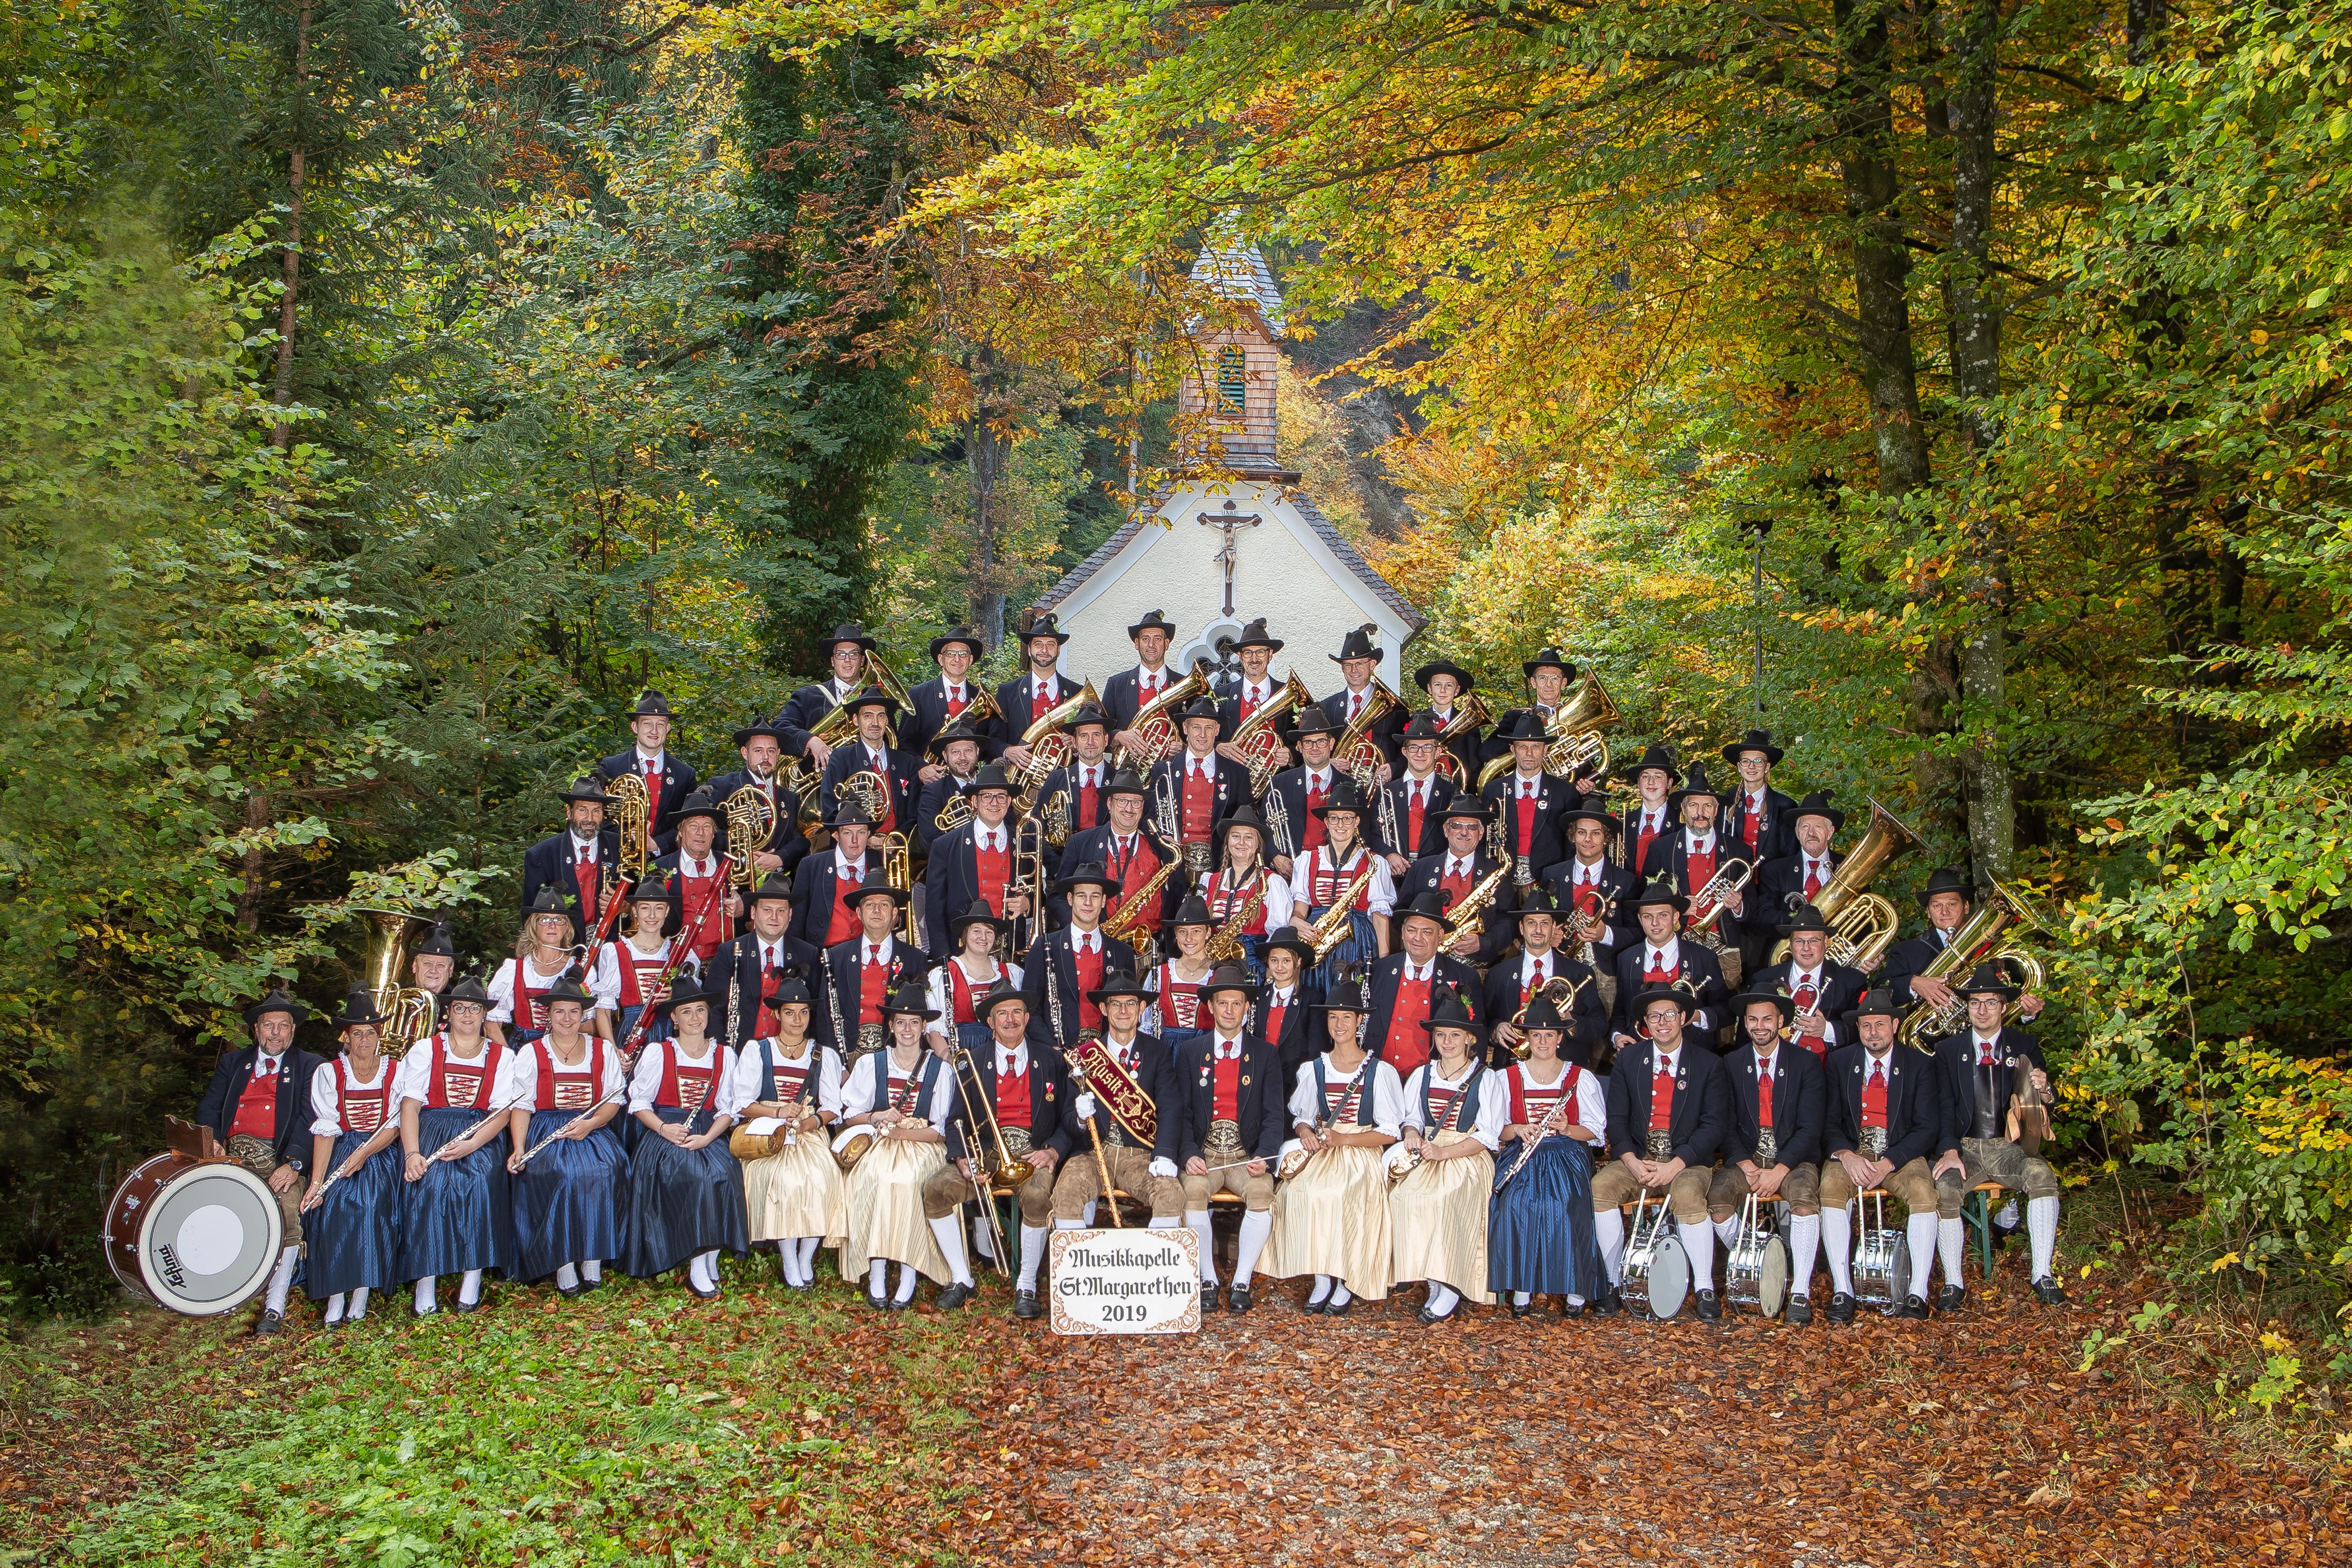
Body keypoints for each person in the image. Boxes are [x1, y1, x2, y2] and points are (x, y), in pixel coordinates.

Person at [1260, 968, 1405, 1315]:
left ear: (1359, 1022)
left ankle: (1345, 1278)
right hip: (1324, 1148)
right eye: (1333, 1017)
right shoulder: (1314, 1068)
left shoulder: (1378, 1071)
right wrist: (1306, 1133)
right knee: (1301, 1192)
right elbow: (1302, 1117)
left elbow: (1389, 1131)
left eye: (1347, 1017)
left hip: (1360, 1151)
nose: (1339, 1024)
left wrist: (1344, 1137)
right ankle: (1322, 1275)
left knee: (1345, 1194)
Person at [1930, 963, 2069, 1308]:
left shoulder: (2024, 1044)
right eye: (1975, 1002)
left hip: (2008, 1146)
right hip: (1964, 1146)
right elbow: (1941, 1107)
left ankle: (2042, 1273)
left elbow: (2045, 1102)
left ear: (2004, 1007)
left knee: (2041, 1175)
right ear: (1967, 1007)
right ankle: (1953, 1282)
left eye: (1990, 1002)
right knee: (1944, 1188)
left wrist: (2045, 1088)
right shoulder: (1947, 1050)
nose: (1982, 1009)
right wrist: (1948, 1149)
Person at [1591, 987, 1731, 1320]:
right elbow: (1617, 1119)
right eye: (1654, 1016)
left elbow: (1713, 1126)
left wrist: (1675, 1164)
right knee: (1600, 1188)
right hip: (1637, 1159)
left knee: (1687, 1193)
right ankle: (1611, 1284)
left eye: (1669, 1014)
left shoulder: (1709, 1064)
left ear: (1683, 1018)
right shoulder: (1628, 1059)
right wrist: (1629, 1160)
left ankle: (1704, 1287)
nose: (1662, 1022)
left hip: (1686, 1161)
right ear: (1645, 1023)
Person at [1819, 989, 1957, 1322]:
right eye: (1866, 1026)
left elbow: (1927, 1127)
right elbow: (1827, 1121)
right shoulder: (1839, 1061)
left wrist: (1889, 1161)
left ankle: (1917, 1294)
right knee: (1830, 1188)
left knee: (1925, 1193)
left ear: (1894, 1025)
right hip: (1853, 1150)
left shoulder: (1919, 1064)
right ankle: (1843, 1290)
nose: (1872, 1033)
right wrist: (1846, 1156)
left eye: (1879, 1025)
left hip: (1900, 1151)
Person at [195, 987, 326, 1335]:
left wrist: (295, 1163)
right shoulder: (233, 1063)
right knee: (207, 1208)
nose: (276, 1033)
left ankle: (274, 1306)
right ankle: (217, 1293)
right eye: (269, 1025)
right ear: (257, 1029)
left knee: (285, 1210)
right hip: (231, 1157)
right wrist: (214, 1142)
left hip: (277, 1159)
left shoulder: (310, 1065)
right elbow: (210, 1107)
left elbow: (310, 1117)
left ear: (293, 1030)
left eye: (284, 1025)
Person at [935, 983, 1067, 1316]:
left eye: (1017, 1012)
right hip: (986, 1152)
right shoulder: (972, 1059)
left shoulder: (1050, 1058)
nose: (1010, 1019)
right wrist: (962, 1158)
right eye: (1002, 1013)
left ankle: (1025, 1284)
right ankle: (961, 1277)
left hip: (1032, 1152)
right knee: (935, 1190)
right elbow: (955, 1119)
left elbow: (1069, 1118)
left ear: (1027, 1017)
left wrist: (1052, 1150)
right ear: (991, 1022)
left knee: (1038, 1197)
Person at [1168, 964, 1288, 1313]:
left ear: (1246, 1007)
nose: (1229, 1010)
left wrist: (1265, 1154)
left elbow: (1274, 1115)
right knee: (1191, 1191)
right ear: (1211, 1006)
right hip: (1204, 1153)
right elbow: (1183, 1111)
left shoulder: (1265, 1055)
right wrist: (1188, 1151)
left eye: (1237, 1003)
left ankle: (1241, 1280)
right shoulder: (1191, 1052)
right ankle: (1208, 1278)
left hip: (1244, 1154)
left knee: (1263, 1192)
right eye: (1223, 1003)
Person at [620, 973, 747, 1298]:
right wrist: (664, 1129)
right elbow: (639, 1104)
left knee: (725, 1172)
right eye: (687, 1012)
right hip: (666, 1132)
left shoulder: (724, 1055)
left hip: (707, 1130)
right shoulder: (658, 1052)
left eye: (701, 1010)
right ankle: (695, 1261)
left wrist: (708, 1138)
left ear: (709, 1014)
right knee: (694, 1176)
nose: (695, 1018)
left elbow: (728, 1109)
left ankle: (710, 1254)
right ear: (674, 1018)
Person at [396, 975, 516, 1317]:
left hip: (480, 1133)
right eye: (460, 1008)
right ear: (449, 1012)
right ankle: (426, 1282)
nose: (467, 1015)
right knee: (430, 1188)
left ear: (484, 1015)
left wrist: (472, 1144)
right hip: (432, 1129)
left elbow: (503, 1112)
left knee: (481, 1184)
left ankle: (471, 1281)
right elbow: (410, 1106)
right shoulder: (426, 1049)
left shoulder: (502, 1057)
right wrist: (412, 1153)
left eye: (474, 1008)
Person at [500, 975, 627, 1296]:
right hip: (547, 1128)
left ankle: (592, 1256)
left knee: (607, 1169)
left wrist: (591, 1124)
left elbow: (613, 1101)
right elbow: (522, 1106)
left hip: (591, 1126)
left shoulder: (602, 1050)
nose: (567, 1019)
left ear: (583, 1014)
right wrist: (519, 1147)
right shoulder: (531, 1052)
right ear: (549, 1015)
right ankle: (563, 1261)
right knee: (561, 1174)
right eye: (560, 1012)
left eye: (574, 1011)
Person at [1709, 990, 1830, 1324]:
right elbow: (1724, 1120)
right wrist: (1742, 1160)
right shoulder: (1731, 1063)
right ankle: (1760, 1262)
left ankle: (1801, 1291)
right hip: (1747, 1158)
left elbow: (1810, 1127)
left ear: (1781, 1022)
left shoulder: (1805, 1063)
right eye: (1752, 1019)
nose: (1759, 1026)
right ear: (1744, 1023)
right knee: (1717, 1203)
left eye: (1766, 1018)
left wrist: (1780, 1169)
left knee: (1804, 1200)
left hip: (1794, 1157)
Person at [1487, 990, 1607, 1317]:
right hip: (1520, 1153)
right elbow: (1494, 1129)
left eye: (1549, 1035)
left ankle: (1574, 1289)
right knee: (1518, 1204)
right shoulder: (1506, 1077)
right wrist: (1518, 1129)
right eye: (1536, 1035)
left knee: (1563, 1205)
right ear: (1526, 1038)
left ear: (1559, 1038)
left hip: (1565, 1154)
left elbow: (1595, 1130)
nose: (1542, 1041)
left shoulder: (1579, 1077)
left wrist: (1568, 1127)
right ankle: (1522, 1289)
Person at [839, 987, 959, 1310]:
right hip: (880, 1143)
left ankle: (909, 1269)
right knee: (874, 1178)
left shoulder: (940, 1069)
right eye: (901, 1022)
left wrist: (903, 1131)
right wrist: (876, 1116)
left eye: (914, 1023)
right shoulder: (870, 1063)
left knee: (909, 1183)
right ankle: (877, 1268)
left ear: (924, 1027)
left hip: (920, 1145)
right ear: (890, 1026)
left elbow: (940, 1131)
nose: (907, 1030)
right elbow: (850, 1114)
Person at [1390, 989, 1505, 1324]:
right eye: (1441, 1034)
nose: (1447, 1041)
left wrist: (1444, 1152)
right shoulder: (1423, 1074)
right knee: (1406, 1196)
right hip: (1428, 1151)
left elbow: (1486, 1135)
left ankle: (1452, 1283)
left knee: (1445, 1198)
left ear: (1469, 1038)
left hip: (1465, 1157)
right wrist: (1412, 1133)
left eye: (1455, 1035)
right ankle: (1433, 1278)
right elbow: (1411, 1117)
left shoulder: (1485, 1078)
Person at [727, 971, 847, 1290]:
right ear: (777, 1014)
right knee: (783, 1182)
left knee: (826, 1178)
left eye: (804, 1012)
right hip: (766, 1130)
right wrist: (778, 1112)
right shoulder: (758, 1050)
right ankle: (789, 1259)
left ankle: (806, 1255)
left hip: (807, 1129)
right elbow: (741, 1102)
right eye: (790, 1013)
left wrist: (808, 1123)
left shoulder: (823, 1055)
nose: (797, 1019)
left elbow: (833, 1107)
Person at [1050, 969, 1186, 1242]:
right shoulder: (1085, 1056)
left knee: (1171, 1193)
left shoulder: (1159, 1053)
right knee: (1065, 1192)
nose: (1123, 1010)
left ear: (1142, 1008)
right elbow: (1066, 1118)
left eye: (1131, 1004)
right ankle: (1078, 1276)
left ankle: (1154, 1274)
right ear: (1104, 1008)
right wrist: (1078, 1117)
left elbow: (1171, 1108)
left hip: (1139, 1156)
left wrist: (1165, 1154)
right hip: (1092, 1154)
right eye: (1116, 1003)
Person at [298, 989, 404, 1329]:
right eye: (357, 1032)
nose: (364, 1039)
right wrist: (317, 1182)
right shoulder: (329, 1072)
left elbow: (395, 1125)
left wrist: (364, 1153)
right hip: (341, 1148)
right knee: (333, 1208)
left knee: (373, 1207)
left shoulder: (395, 1071)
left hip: (380, 1153)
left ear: (379, 1036)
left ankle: (360, 1293)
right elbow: (326, 1131)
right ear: (345, 1037)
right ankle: (336, 1295)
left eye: (370, 1032)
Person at [1284, 776, 1395, 990]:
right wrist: (1296, 922)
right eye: (1334, 819)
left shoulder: (1375, 863)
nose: (1340, 825)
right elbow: (1300, 909)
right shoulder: (1307, 860)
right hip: (1316, 938)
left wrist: (1383, 964)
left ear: (1357, 821)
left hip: (1357, 939)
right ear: (1326, 822)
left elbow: (1380, 918)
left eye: (1347, 818)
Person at [1363, 890, 1486, 1081]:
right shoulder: (1378, 970)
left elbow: (1477, 1038)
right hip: (1380, 1079)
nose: (1417, 938)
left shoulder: (1464, 977)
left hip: (1435, 1083)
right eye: (1412, 930)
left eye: (1427, 932)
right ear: (1403, 932)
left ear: (1441, 935)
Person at [1481, 887, 1609, 1070]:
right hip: (1511, 1068)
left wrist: (1571, 1022)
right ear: (1522, 928)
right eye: (1532, 923)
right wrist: (1497, 1029)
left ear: (1554, 927)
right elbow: (1483, 1020)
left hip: (1565, 1067)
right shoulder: (1499, 973)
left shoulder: (1580, 973)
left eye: (1545, 923)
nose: (1538, 930)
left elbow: (1600, 1026)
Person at [921, 763, 1037, 959]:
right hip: (960, 952)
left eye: (1001, 796)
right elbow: (934, 910)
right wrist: (944, 960)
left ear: (1009, 802)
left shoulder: (1025, 844)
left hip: (1009, 951)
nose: (995, 803)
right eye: (987, 796)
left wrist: (1028, 904)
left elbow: (1036, 893)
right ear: (975, 801)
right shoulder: (945, 846)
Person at [1050, 768, 1180, 942]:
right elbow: (1058, 896)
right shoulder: (1081, 843)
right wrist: (1082, 926)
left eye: (1136, 802)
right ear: (1110, 803)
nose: (1129, 808)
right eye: (1122, 801)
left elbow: (1177, 898)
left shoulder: (1161, 846)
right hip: (1098, 943)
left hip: (1152, 947)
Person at [1020, 862, 1137, 1052]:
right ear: (1070, 899)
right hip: (1060, 1054)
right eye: (1082, 896)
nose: (1088, 903)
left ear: (1103, 900)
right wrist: (1052, 1047)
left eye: (1095, 896)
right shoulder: (1044, 947)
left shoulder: (1121, 952)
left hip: (1108, 1055)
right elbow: (1031, 1009)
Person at [1607, 880, 1730, 1049]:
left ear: (1676, 917)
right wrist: (1618, 1037)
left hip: (1691, 1051)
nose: (1655, 923)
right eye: (1648, 916)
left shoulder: (1703, 957)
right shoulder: (1626, 958)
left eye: (1663, 915)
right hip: (1640, 1050)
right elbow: (1621, 1013)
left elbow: (1726, 1011)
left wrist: (1697, 1016)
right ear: (1640, 919)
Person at [1651, 763, 1748, 974]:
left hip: (1724, 948)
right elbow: (1648, 900)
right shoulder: (1661, 849)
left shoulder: (1739, 850)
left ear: (1716, 811)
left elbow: (1754, 904)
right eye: (1694, 806)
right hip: (1675, 943)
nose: (1700, 813)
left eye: (1707, 806)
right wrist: (1679, 906)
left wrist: (1739, 906)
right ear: (1684, 810)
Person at [818, 873, 926, 1062]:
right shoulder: (836, 957)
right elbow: (825, 1016)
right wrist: (837, 1065)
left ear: (894, 913)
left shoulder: (915, 959)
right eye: (869, 905)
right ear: (859, 913)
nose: (877, 910)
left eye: (884, 905)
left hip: (895, 1058)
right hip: (847, 1058)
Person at [1395, 799, 1513, 967]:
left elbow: (1508, 920)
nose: (1464, 833)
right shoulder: (1422, 867)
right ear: (1446, 830)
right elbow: (1401, 913)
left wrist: (1483, 943)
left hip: (1477, 967)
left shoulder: (1495, 871)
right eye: (1457, 825)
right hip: (1427, 963)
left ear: (1481, 833)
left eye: (1471, 827)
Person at [1148, 697, 1250, 882]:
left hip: (1220, 866)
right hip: (1174, 865)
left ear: (1217, 730)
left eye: (1209, 728)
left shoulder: (1237, 773)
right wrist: (1162, 839)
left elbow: (1246, 820)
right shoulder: (1163, 770)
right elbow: (1149, 818)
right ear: (1186, 729)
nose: (1202, 734)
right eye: (1197, 727)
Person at [715, 874, 822, 1049]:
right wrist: (722, 1055)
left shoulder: (807, 954)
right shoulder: (729, 952)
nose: (774, 917)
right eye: (767, 910)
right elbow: (716, 1011)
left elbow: (817, 1012)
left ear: (790, 915)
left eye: (781, 911)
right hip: (740, 1054)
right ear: (753, 913)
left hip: (791, 1056)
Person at [1749, 904, 1867, 1059]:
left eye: (1813, 941)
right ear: (1790, 944)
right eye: (1799, 941)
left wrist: (1827, 1030)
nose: (1806, 948)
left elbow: (1864, 1030)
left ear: (1825, 942)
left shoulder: (1852, 980)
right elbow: (1748, 1033)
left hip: (1827, 1070)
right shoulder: (1764, 979)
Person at [704, 717, 810, 886]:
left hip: (777, 886)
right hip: (732, 882)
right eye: (759, 751)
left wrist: (779, 858)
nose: (766, 757)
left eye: (771, 751)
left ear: (778, 753)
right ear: (745, 753)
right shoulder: (723, 786)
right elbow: (707, 832)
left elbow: (801, 840)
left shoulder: (790, 798)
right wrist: (744, 852)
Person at [1479, 709, 1576, 888]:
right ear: (1513, 750)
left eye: (1536, 747)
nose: (1529, 753)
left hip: (1548, 883)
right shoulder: (1493, 790)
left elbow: (1571, 847)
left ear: (1546, 750)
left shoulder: (1566, 792)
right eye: (1523, 747)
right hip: (1502, 881)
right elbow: (1484, 839)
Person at [1537, 807, 1640, 975]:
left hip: (1605, 971)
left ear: (1606, 839)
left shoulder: (1626, 881)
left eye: (1596, 834)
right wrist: (1550, 934)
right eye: (1582, 832)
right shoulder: (1552, 874)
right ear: (1573, 837)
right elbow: (1538, 919)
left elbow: (1637, 932)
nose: (1588, 839)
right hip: (1561, 966)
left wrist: (1605, 934)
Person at [597, 690, 699, 855]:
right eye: (647, 723)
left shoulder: (684, 774)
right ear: (635, 727)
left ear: (668, 728)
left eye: (660, 724)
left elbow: (690, 820)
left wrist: (659, 844)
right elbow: (598, 813)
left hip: (665, 859)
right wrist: (626, 836)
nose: (654, 731)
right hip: (619, 857)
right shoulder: (612, 767)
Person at [1199, 803, 1293, 975]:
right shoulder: (1209, 880)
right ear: (1228, 842)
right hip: (1213, 965)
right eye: (1236, 836)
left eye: (1249, 838)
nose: (1241, 843)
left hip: (1252, 967)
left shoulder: (1272, 882)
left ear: (1258, 844)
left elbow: (1278, 933)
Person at [652, 790, 739, 971]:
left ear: (714, 834)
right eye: (693, 826)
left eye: (707, 826)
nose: (701, 833)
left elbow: (756, 905)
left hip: (726, 964)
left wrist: (744, 907)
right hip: (680, 963)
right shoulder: (660, 869)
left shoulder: (733, 865)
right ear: (681, 831)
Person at [818, 685, 920, 838]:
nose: (875, 723)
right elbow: (830, 810)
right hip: (856, 846)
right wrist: (867, 839)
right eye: (868, 716)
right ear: (856, 720)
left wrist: (895, 839)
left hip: (897, 846)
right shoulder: (841, 758)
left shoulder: (906, 762)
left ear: (887, 720)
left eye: (880, 716)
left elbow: (914, 815)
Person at [590, 881, 685, 1046]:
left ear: (667, 911)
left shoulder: (681, 953)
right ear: (634, 911)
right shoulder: (615, 952)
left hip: (671, 1035)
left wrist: (675, 996)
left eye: (659, 908)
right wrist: (612, 1051)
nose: (652, 916)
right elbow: (603, 1010)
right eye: (645, 908)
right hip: (630, 1035)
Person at [775, 622, 880, 771]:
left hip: (868, 783)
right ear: (833, 661)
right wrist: (812, 741)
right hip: (820, 790)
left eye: (854, 654)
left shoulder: (877, 699)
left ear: (862, 660)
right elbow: (780, 728)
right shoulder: (808, 697)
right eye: (841, 654)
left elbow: (892, 743)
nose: (847, 660)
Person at [925, 901, 1024, 1055]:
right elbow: (934, 1033)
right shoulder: (944, 975)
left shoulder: (1012, 973)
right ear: (965, 935)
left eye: (989, 932)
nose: (983, 938)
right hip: (962, 1054)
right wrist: (952, 1064)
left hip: (1004, 1054)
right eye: (977, 931)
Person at [1752, 793, 1847, 954]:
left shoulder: (1847, 867)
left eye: (1818, 826)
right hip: (1791, 957)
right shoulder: (1775, 870)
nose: (1811, 833)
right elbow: (1764, 916)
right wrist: (1799, 919)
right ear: (1797, 832)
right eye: (1805, 827)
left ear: (1830, 832)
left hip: (1838, 955)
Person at [519, 776, 621, 922]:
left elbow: (638, 896)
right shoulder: (541, 855)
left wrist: (625, 906)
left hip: (610, 942)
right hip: (564, 942)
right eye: (583, 810)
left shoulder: (621, 846)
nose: (590, 819)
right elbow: (531, 916)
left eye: (596, 811)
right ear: (569, 812)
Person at [488, 890, 578, 1049]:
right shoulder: (514, 970)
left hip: (567, 1050)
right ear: (534, 926)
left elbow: (589, 1025)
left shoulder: (578, 970)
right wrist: (509, 1060)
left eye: (559, 920)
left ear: (566, 928)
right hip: (523, 1049)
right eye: (544, 920)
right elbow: (492, 1024)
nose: (552, 925)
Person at [789, 800, 883, 950]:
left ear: (869, 834)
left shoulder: (884, 862)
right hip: (824, 956)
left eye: (861, 832)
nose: (855, 840)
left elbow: (900, 916)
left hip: (871, 953)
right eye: (847, 833)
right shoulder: (811, 866)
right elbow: (796, 924)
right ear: (836, 836)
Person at [993, 611, 1078, 771]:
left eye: (1051, 645)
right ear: (1029, 648)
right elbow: (993, 739)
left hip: (1063, 778)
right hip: (1021, 779)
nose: (1044, 650)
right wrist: (1008, 751)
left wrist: (1076, 745)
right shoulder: (1007, 692)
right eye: (1039, 644)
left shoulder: (1076, 692)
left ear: (1058, 650)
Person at [902, 624, 1001, 761]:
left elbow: (988, 746)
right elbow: (904, 743)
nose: (957, 659)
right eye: (951, 654)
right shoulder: (918, 695)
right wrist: (922, 768)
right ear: (941, 659)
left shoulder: (981, 699)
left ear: (970, 660)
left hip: (970, 780)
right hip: (928, 780)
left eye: (963, 654)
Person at [1315, 625, 1401, 781]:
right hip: (1340, 791)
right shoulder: (1327, 707)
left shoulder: (1394, 708)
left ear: (1372, 665)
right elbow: (1313, 750)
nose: (1354, 670)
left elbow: (1409, 751)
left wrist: (1394, 769)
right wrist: (1328, 764)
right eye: (1348, 665)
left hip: (1380, 789)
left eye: (1360, 663)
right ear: (1343, 668)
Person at [1374, 714, 1461, 867]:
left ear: (1438, 752)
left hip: (1435, 875)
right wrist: (1388, 853)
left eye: (1427, 747)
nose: (1420, 754)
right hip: (1394, 876)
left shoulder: (1453, 794)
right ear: (1405, 752)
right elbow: (1371, 833)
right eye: (1414, 747)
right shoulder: (1386, 793)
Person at [1212, 619, 1295, 776]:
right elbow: (1204, 737)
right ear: (1240, 657)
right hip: (1232, 783)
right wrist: (1217, 747)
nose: (1254, 659)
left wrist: (1291, 755)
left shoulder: (1288, 694)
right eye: (1248, 653)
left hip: (1277, 782)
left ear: (1270, 655)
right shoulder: (1220, 696)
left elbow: (1301, 741)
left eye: (1260, 652)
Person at [1029, 702, 1117, 839]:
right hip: (1064, 859)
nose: (1090, 742)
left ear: (1106, 740)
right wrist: (1057, 859)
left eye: (1096, 735)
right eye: (1084, 736)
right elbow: (1037, 825)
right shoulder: (1057, 779)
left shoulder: (1117, 778)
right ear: (1074, 742)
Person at [1252, 931, 1328, 1082]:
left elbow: (1316, 1051)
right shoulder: (1258, 996)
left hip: (1295, 1083)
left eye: (1286, 961)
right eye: (1274, 961)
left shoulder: (1313, 1000)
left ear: (1298, 962)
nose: (1280, 967)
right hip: (1260, 1080)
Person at [1144, 895, 1218, 1043]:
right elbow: (1147, 1024)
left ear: (1208, 933)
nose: (1189, 939)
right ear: (1176, 934)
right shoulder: (1159, 974)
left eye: (1196, 931)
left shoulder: (1220, 973)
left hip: (1206, 1050)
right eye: (1183, 931)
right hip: (1167, 1052)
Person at [1719, 728, 1797, 864]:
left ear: (1767, 767)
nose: (1752, 766)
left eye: (1758, 761)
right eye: (1746, 761)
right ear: (1739, 767)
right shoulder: (1728, 801)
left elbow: (1790, 855)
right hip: (1735, 880)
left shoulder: (1785, 806)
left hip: (1771, 883)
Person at [1104, 609, 1182, 740]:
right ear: (1137, 644)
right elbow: (1102, 730)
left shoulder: (1182, 683)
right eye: (1145, 639)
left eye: (1158, 639)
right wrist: (1118, 736)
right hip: (1130, 760)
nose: (1151, 645)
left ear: (1166, 644)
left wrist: (1183, 746)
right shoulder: (1117, 685)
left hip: (1172, 760)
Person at [914, 719, 989, 855]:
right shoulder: (933, 792)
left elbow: (1009, 827)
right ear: (945, 756)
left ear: (977, 751)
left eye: (968, 750)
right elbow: (930, 840)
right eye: (955, 752)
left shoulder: (992, 786)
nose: (963, 758)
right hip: (954, 866)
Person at [1410, 657, 1488, 784]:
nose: (1443, 690)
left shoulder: (1469, 722)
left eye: (1449, 685)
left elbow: (1475, 765)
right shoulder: (1416, 720)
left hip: (1457, 790)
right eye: (1438, 685)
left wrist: (1471, 795)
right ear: (1430, 689)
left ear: (1457, 690)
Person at [1615, 744, 1681, 874]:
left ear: (1670, 783)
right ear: (1639, 782)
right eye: (1645, 776)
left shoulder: (1681, 822)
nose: (1651, 782)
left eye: (1658, 776)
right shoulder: (1625, 823)